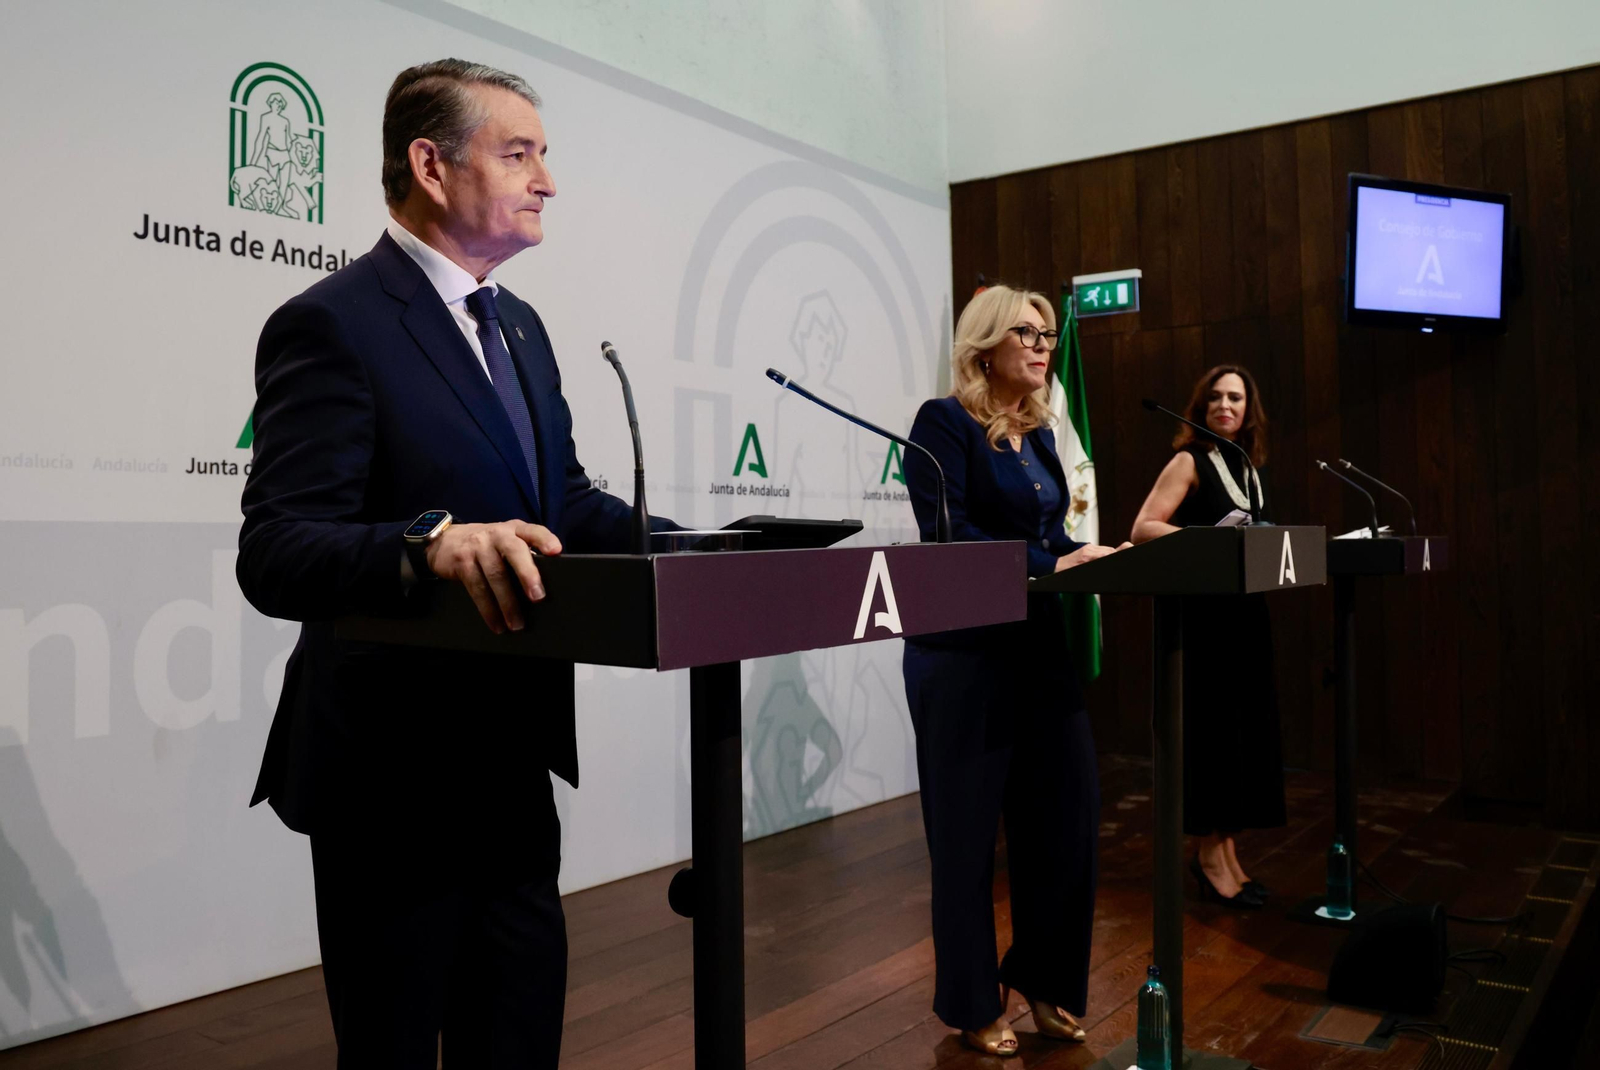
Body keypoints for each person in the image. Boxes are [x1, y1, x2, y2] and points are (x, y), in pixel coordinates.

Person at [237, 59, 674, 1068]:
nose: (546, 181)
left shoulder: (518, 326)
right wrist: (429, 544)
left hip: (510, 760)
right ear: (431, 167)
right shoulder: (332, 323)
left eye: (544, 156)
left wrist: (701, 545)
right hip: (389, 775)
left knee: (517, 1039)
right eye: (519, 153)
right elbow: (277, 548)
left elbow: (562, 503)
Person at [901, 285, 1125, 1057]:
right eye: (1026, 333)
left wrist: (1078, 558)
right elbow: (949, 535)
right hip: (964, 657)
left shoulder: (1035, 436)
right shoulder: (943, 424)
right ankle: (970, 1000)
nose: (1042, 346)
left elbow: (1053, 527)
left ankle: (1044, 978)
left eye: (1049, 335)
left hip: (1038, 649)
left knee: (1067, 820)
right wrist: (1057, 559)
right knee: (965, 842)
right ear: (985, 344)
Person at [1130, 364, 1286, 909]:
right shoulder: (1188, 460)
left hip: (1244, 616)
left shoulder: (1247, 466)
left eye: (1236, 398)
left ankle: (1229, 856)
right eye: (1216, 397)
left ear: (1248, 410)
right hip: (1205, 623)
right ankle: (1209, 858)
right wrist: (1207, 544)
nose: (1226, 405)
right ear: (1201, 407)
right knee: (1215, 738)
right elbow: (1143, 527)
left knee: (1241, 737)